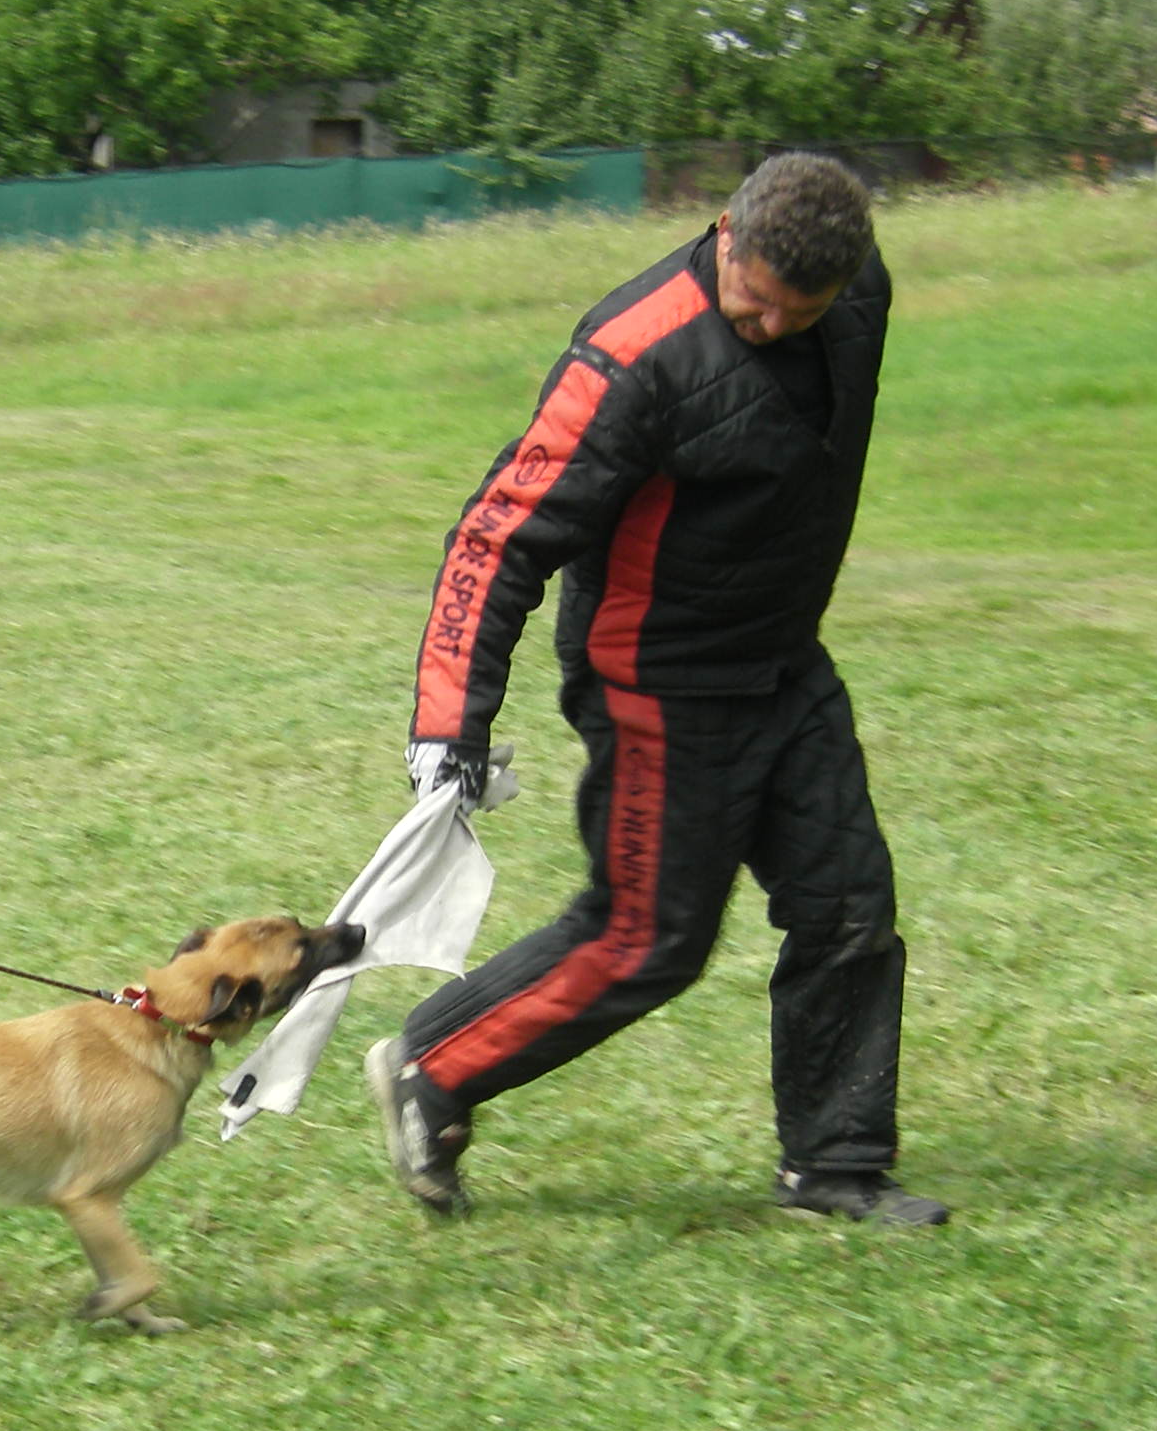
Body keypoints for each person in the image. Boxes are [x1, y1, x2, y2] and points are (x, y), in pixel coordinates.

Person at [364, 154, 952, 1231]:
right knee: (648, 937)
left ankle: (836, 1165)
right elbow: (498, 537)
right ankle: (432, 1062)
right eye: (753, 298)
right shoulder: (634, 356)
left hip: (783, 657)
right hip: (658, 687)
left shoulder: (858, 295)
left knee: (849, 905)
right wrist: (450, 724)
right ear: (724, 230)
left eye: (797, 311)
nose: (768, 325)